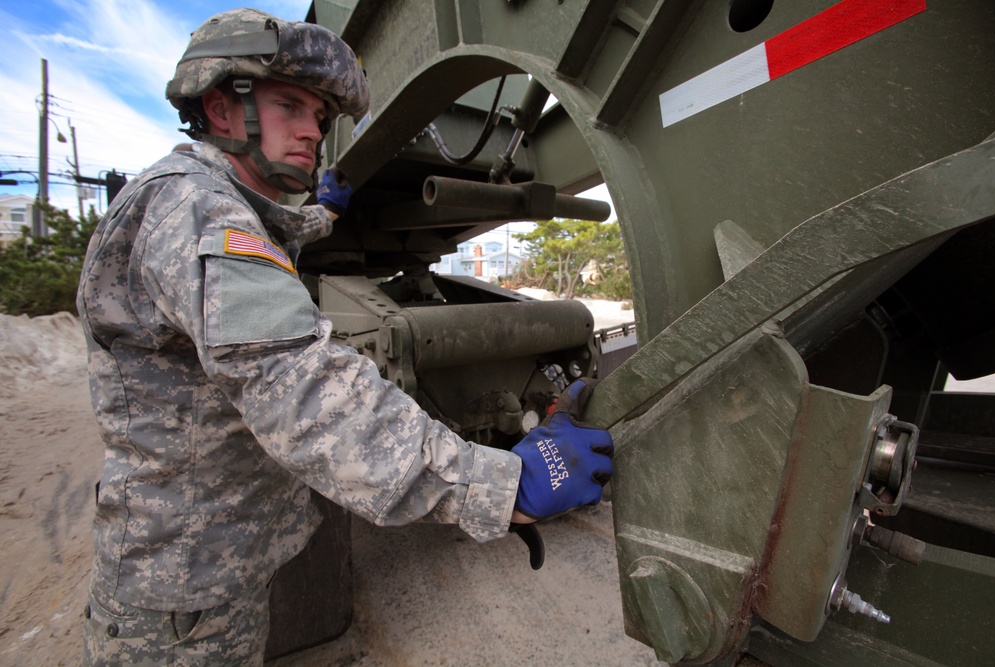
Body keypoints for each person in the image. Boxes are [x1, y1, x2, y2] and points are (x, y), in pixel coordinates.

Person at [77, 8, 614, 665]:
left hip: (205, 578)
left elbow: (267, 237)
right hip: (175, 608)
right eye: (290, 106)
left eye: (321, 118)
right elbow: (304, 392)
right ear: (221, 108)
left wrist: (320, 216)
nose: (312, 131)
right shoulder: (193, 210)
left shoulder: (211, 204)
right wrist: (501, 484)